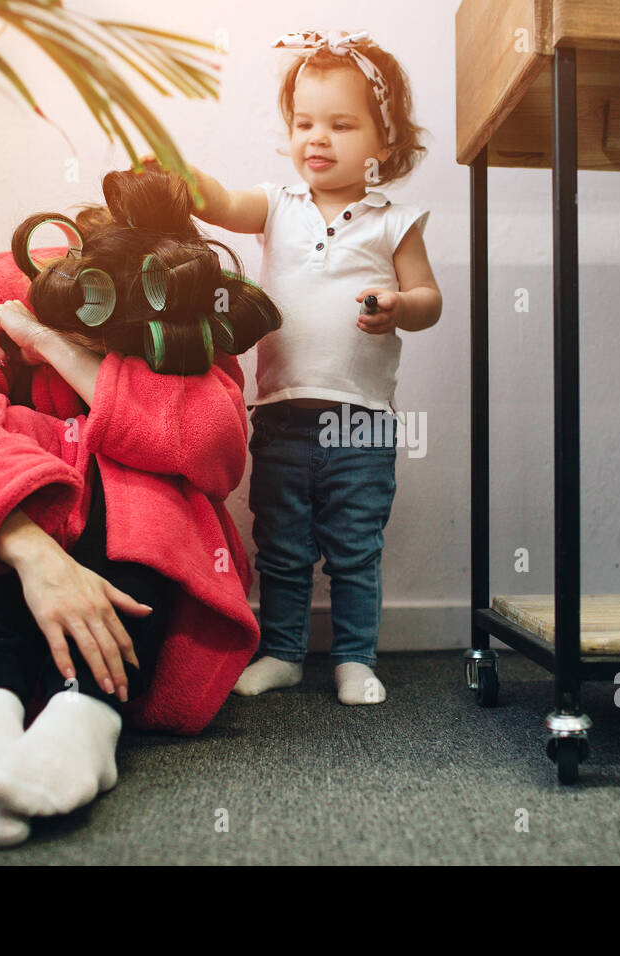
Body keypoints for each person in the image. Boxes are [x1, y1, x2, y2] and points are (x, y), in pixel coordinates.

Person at [0, 164, 280, 846]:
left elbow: (214, 446)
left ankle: (87, 722)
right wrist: (33, 553)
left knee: (152, 472)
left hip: (144, 582)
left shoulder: (188, 316)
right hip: (15, 573)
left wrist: (55, 349)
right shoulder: (2, 295)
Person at [175, 29, 441, 705]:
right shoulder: (278, 205)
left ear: (384, 142)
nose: (316, 138)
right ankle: (283, 651)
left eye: (341, 124)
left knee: (354, 549)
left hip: (362, 421)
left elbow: (430, 300)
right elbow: (222, 204)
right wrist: (185, 177)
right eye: (304, 123)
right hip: (283, 418)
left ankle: (354, 657)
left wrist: (397, 304)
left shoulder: (393, 221)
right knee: (283, 547)